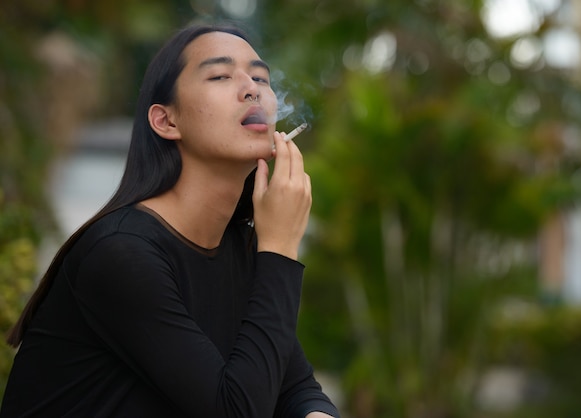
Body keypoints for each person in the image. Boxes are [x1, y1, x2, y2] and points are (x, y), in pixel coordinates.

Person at [0, 23, 339, 418]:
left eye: (261, 77)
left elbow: (296, 389)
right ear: (166, 121)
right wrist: (279, 247)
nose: (253, 89)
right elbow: (237, 411)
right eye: (220, 75)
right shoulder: (121, 254)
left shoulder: (237, 250)